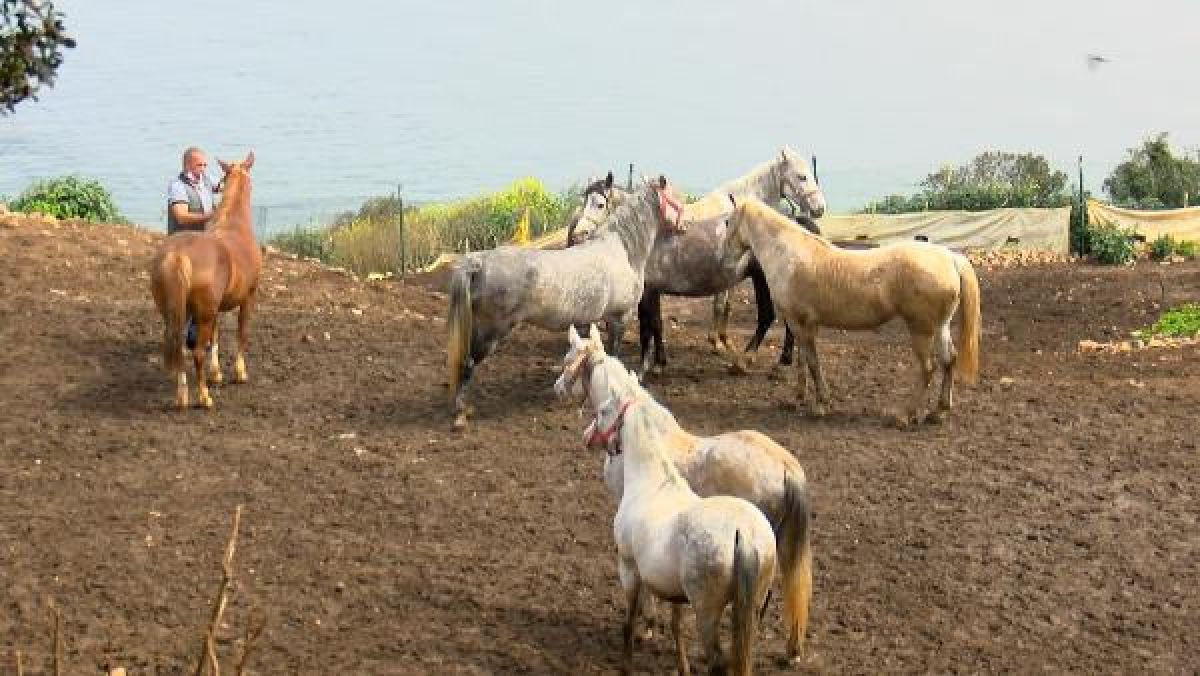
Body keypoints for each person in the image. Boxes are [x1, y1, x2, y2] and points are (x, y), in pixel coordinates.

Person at [166, 147, 222, 347]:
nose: (204, 168)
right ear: (188, 165)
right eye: (200, 165)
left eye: (205, 164)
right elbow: (181, 216)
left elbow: (222, 185)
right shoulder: (178, 186)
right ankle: (180, 332)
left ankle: (194, 331)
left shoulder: (205, 178)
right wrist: (210, 216)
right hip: (183, 243)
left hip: (203, 244)